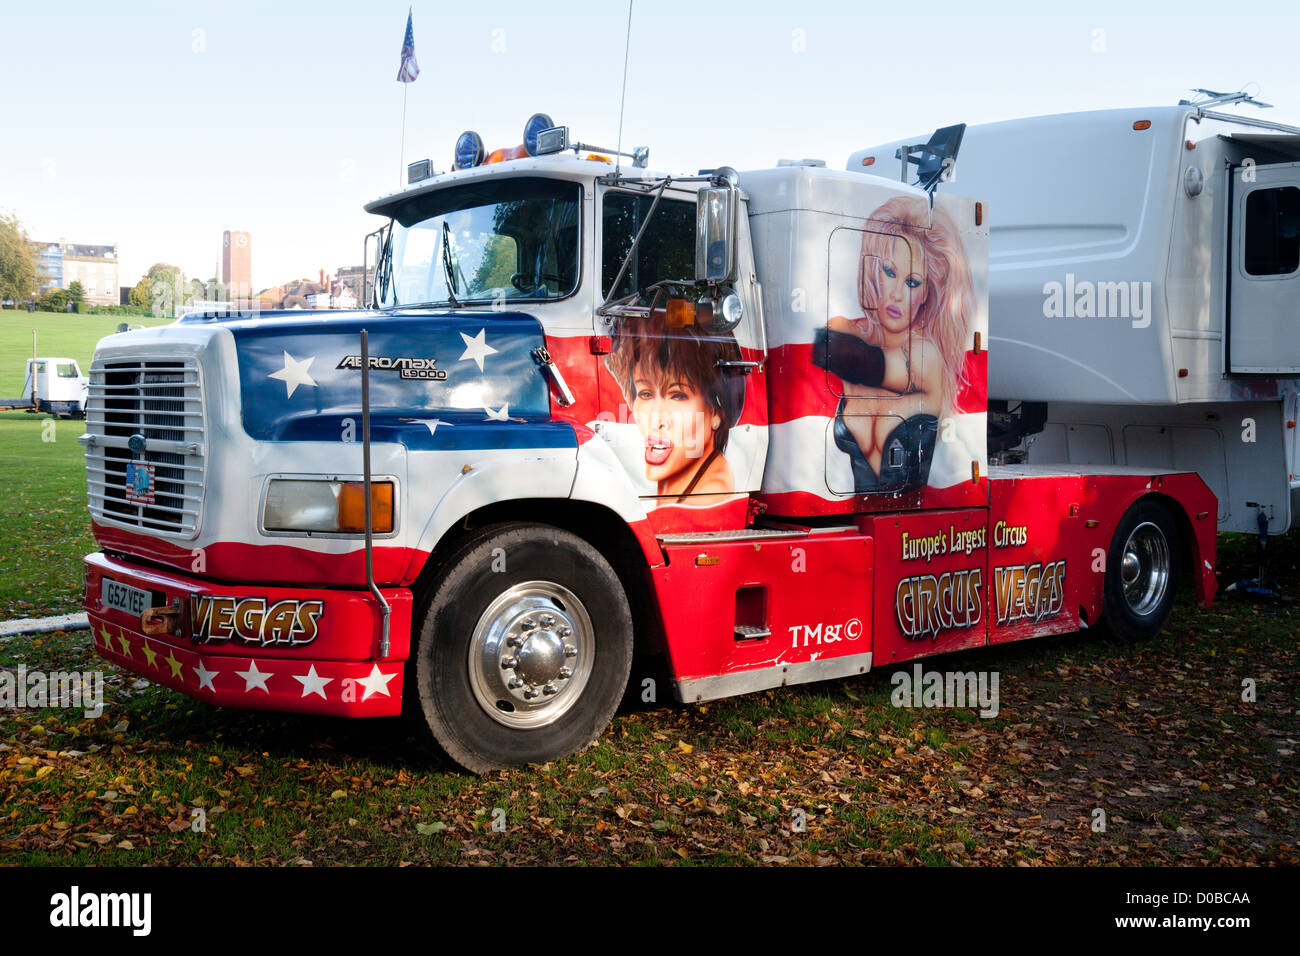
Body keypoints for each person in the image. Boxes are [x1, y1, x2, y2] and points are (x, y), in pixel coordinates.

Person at [813, 196, 974, 492]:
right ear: (874, 269)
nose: (897, 294)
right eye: (889, 272)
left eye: (912, 282)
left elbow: (863, 363)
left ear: (927, 292)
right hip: (849, 514)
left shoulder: (926, 356)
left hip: (915, 524)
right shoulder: (844, 329)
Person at [605, 312, 745, 501]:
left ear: (717, 411)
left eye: (678, 396)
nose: (655, 419)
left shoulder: (707, 496)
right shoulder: (681, 489)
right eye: (646, 394)